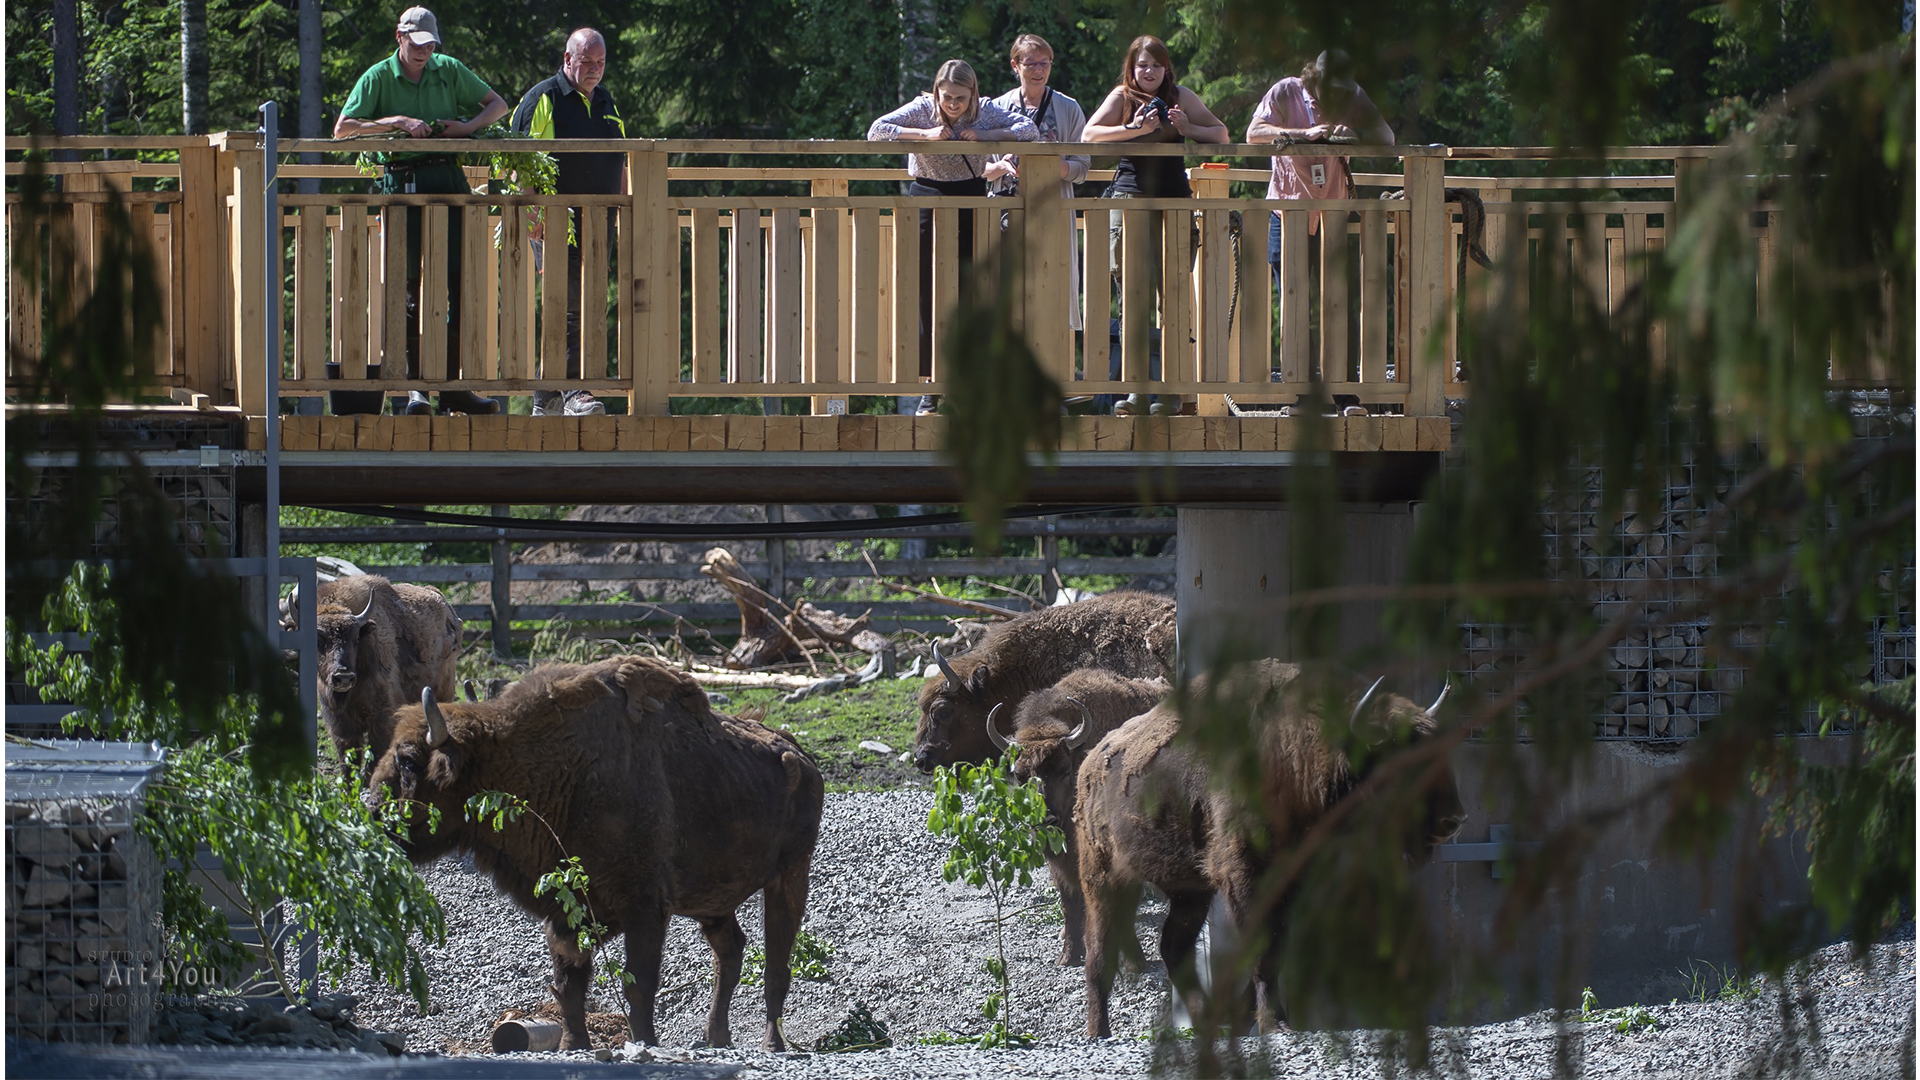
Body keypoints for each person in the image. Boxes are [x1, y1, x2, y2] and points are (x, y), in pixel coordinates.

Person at [333, 6, 508, 416]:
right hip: (401, 181)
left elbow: (496, 105)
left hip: (447, 179)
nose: (424, 54)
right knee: (406, 290)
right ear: (400, 37)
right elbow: (342, 128)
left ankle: (453, 388)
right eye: (417, 45)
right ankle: (414, 392)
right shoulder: (377, 77)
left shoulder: (447, 68)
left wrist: (465, 128)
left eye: (430, 47)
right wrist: (394, 122)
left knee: (458, 285)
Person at [868, 59, 1038, 415]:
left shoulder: (986, 110)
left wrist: (988, 137)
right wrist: (925, 136)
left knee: (968, 291)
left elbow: (1028, 131)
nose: (954, 105)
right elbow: (877, 131)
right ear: (937, 92)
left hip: (971, 196)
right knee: (927, 291)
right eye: (947, 97)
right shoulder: (922, 108)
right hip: (927, 196)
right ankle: (932, 387)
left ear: (972, 92)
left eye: (961, 98)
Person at [1084, 35, 1227, 415]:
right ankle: (1135, 391)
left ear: (1166, 68)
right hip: (1130, 200)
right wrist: (1133, 129)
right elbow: (1090, 135)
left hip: (1175, 202)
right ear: (1131, 68)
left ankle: (1172, 392)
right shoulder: (1122, 96)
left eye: (1156, 65)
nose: (1148, 72)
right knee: (1133, 297)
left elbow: (1221, 134)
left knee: (1175, 298)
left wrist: (1186, 127)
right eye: (1142, 65)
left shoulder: (1182, 95)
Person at [511, 27, 625, 417]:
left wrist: (620, 215)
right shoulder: (542, 98)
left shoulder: (607, 100)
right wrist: (532, 216)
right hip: (557, 220)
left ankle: (547, 399)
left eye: (601, 62)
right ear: (567, 59)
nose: (595, 69)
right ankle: (575, 391)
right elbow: (522, 162)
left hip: (599, 223)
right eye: (587, 61)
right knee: (568, 304)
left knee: (589, 304)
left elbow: (618, 160)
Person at [1246, 49, 1394, 297]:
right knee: (1292, 300)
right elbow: (1254, 134)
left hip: (1332, 214)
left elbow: (1387, 138)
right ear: (1315, 79)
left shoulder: (1354, 96)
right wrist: (1301, 134)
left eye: (1342, 89)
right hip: (1289, 211)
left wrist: (1356, 135)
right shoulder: (1285, 91)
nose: (1337, 94)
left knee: (1335, 302)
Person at [985, 34, 1091, 337]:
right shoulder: (997, 107)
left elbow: (1082, 168)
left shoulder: (1068, 108)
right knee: (1004, 292)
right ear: (1015, 65)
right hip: (1005, 211)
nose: (1038, 70)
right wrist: (1002, 165)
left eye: (1045, 63)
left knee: (1050, 287)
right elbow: (980, 169)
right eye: (1030, 63)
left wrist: (1054, 167)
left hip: (1051, 212)